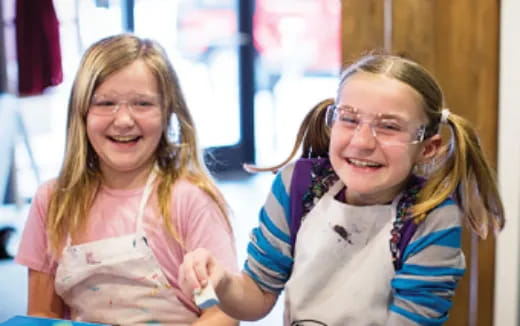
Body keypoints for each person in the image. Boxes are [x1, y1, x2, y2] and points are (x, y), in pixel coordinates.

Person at [178, 54, 505, 325]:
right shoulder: (297, 187)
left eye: (389, 127)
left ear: (428, 147)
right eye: (349, 119)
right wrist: (222, 281)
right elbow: (257, 296)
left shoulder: (431, 218)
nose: (362, 142)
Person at [15, 34, 238, 326]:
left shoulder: (190, 199)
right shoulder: (52, 202)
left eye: (142, 104)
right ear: (80, 113)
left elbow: (223, 313)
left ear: (168, 112)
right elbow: (43, 315)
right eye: (106, 103)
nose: (123, 120)